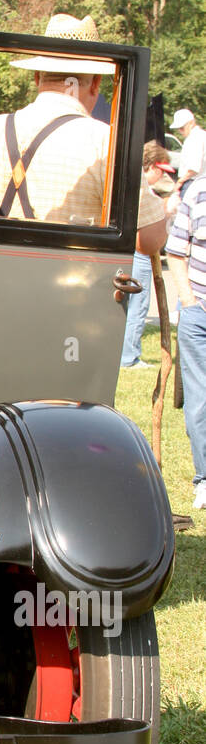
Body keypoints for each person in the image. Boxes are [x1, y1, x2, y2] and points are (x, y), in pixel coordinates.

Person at [0, 13, 167, 256]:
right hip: (70, 289)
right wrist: (163, 208)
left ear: (36, 77)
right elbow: (148, 240)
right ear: (95, 83)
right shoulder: (106, 143)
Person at [165, 162, 206, 509]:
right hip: (200, 314)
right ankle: (204, 479)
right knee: (199, 401)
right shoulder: (197, 191)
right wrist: (190, 302)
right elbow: (175, 250)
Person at [120, 143, 172, 369]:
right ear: (150, 166)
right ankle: (129, 356)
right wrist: (167, 209)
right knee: (138, 304)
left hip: (129, 250)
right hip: (140, 251)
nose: (162, 176)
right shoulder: (141, 188)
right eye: (160, 170)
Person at [170, 108, 206, 185]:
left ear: (191, 123)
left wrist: (179, 182)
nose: (180, 131)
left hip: (192, 182)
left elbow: (194, 168)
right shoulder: (201, 135)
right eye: (178, 129)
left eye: (182, 128)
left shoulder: (194, 138)